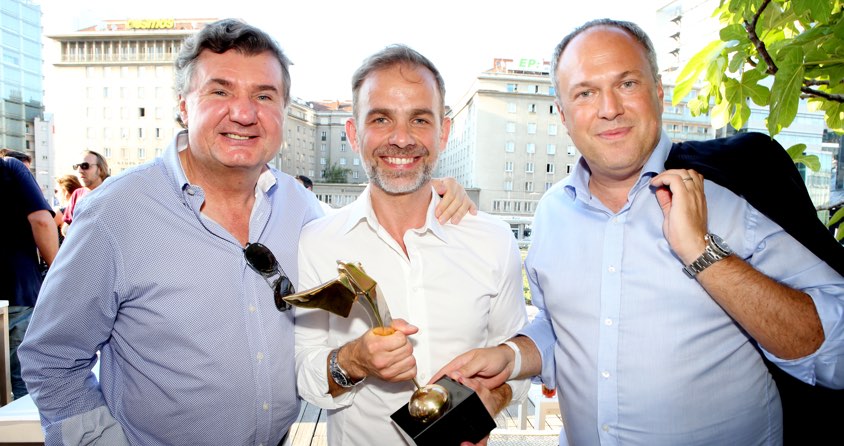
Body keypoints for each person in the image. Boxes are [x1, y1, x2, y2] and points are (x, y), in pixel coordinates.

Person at [19, 19, 473, 446]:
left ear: (283, 111)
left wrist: (428, 192)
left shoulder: (300, 207)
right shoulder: (115, 214)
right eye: (220, 91)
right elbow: (51, 358)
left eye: (264, 96)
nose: (243, 113)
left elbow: (369, 228)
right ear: (183, 106)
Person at [436, 19, 844, 446]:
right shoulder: (552, 212)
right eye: (585, 93)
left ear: (658, 93)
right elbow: (564, 328)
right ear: (563, 114)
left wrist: (703, 253)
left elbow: (836, 352)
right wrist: (512, 356)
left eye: (627, 83)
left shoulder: (731, 193)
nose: (609, 108)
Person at [294, 45, 529, 446]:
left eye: (419, 119)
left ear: (443, 133)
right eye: (381, 119)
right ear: (353, 134)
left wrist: (491, 401)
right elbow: (304, 375)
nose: (401, 139)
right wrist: (354, 361)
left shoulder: (492, 239)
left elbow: (516, 360)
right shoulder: (318, 242)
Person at [0, 157, 58, 400]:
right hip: (18, 291)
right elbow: (42, 221)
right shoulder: (9, 168)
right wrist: (58, 272)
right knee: (25, 390)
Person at [62, 150, 110, 235]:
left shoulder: (112, 192)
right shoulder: (77, 194)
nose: (79, 170)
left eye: (85, 166)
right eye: (76, 166)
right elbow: (65, 227)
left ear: (100, 169)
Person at [52, 174, 83, 240]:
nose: (55, 195)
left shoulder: (60, 213)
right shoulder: (83, 208)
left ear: (65, 191)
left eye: (56, 191)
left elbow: (45, 232)